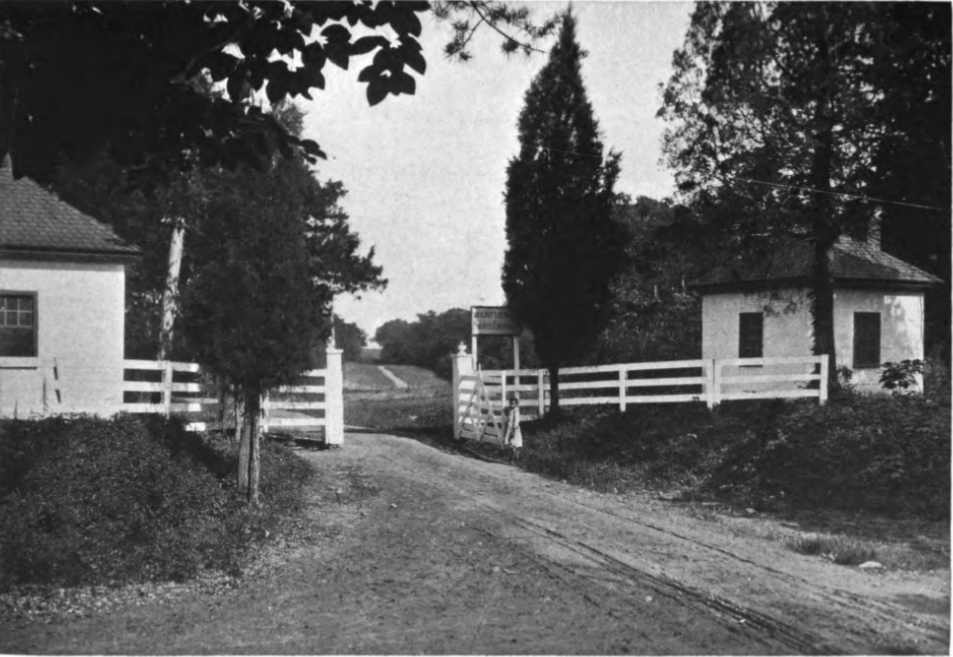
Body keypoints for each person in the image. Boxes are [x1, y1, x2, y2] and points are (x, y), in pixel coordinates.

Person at [502, 395, 523, 462]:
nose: (512, 405)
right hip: (509, 428)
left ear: (516, 404)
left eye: (513, 404)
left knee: (514, 443)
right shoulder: (510, 410)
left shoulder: (516, 411)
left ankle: (514, 458)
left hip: (514, 429)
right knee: (512, 443)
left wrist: (514, 429)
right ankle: (513, 457)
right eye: (511, 403)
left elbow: (516, 420)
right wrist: (505, 410)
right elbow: (506, 412)